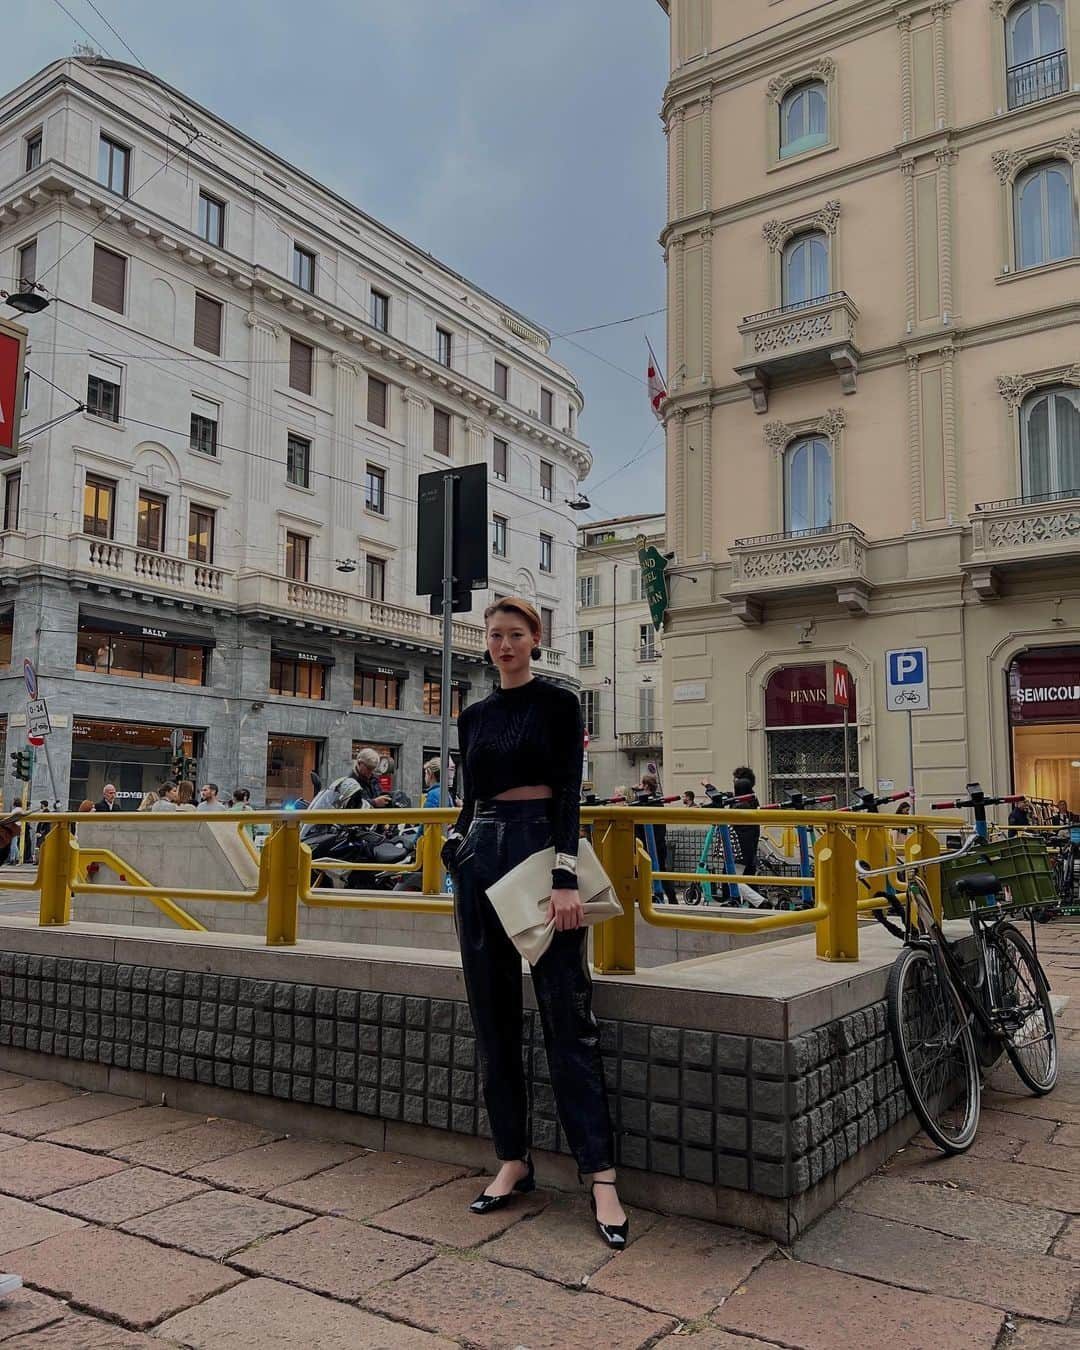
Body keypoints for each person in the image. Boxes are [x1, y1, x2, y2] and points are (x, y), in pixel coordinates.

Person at [443, 596, 626, 1248]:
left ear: (535, 638)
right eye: (494, 636)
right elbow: (471, 795)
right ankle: (513, 1160)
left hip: (542, 847)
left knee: (567, 1017)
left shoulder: (558, 703)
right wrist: (456, 839)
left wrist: (566, 874)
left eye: (514, 634)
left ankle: (601, 1176)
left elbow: (570, 791)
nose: (504, 645)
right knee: (490, 1016)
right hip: (481, 856)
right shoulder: (475, 714)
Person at [638, 772, 677, 904]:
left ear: (646, 786)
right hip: (659, 842)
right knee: (661, 870)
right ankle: (672, 899)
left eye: (641, 784)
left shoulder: (644, 803)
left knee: (640, 871)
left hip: (646, 844)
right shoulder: (658, 802)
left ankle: (640, 897)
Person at [731, 767, 761, 881]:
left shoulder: (741, 803)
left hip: (740, 849)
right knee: (748, 878)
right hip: (749, 847)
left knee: (734, 880)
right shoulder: (752, 799)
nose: (733, 782)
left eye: (735, 779)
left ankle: (758, 900)